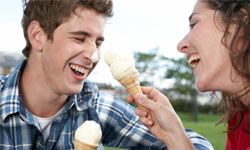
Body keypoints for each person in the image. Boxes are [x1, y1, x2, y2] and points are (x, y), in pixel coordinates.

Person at [0, 0, 213, 149]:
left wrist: (176, 135)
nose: (93, 56)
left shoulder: (97, 108)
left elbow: (199, 144)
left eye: (98, 42)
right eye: (79, 38)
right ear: (37, 36)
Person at [129, 0, 250, 150]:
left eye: (194, 24)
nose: (181, 45)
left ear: (242, 19)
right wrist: (174, 135)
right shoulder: (240, 121)